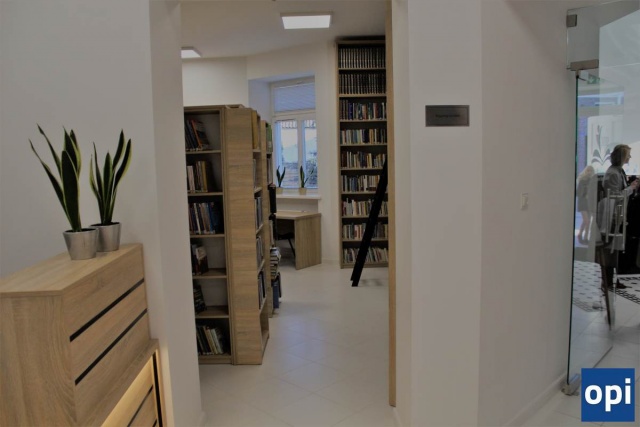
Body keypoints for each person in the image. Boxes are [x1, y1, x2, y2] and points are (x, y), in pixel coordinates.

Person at [599, 144, 638, 290]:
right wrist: (631, 188)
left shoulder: (618, 171)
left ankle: (612, 280)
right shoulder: (613, 173)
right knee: (611, 248)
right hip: (613, 215)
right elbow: (615, 196)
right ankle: (608, 281)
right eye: (628, 155)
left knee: (615, 248)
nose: (630, 157)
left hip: (617, 214)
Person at [576, 165, 596, 241]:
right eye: (588, 170)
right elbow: (578, 193)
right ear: (585, 171)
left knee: (587, 222)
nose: (589, 172)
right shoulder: (582, 181)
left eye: (591, 170)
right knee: (586, 221)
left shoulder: (593, 181)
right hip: (582, 203)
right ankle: (583, 236)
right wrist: (585, 193)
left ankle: (583, 236)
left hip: (590, 203)